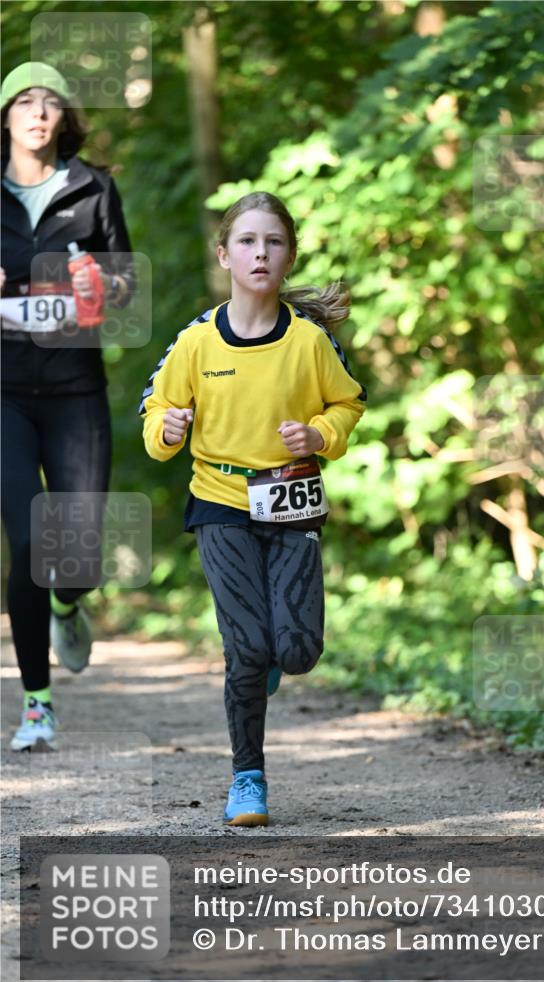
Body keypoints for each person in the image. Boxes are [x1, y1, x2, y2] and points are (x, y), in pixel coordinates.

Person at [140, 191, 365, 826]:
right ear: (224, 255)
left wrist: (321, 435)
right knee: (246, 649)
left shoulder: (310, 342)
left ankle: (270, 659)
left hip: (292, 499)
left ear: (288, 257)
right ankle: (247, 779)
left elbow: (349, 403)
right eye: (246, 241)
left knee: (295, 651)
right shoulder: (195, 343)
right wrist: (170, 428)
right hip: (220, 502)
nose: (259, 252)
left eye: (272, 242)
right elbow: (153, 413)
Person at [1, 62, 134, 750]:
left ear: (63, 119)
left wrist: (92, 284)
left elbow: (124, 292)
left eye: (50, 103)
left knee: (75, 555)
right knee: (29, 543)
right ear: (6, 117)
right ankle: (37, 704)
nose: (38, 113)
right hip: (4, 395)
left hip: (76, 390)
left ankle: (68, 602)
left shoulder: (93, 188)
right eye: (25, 101)